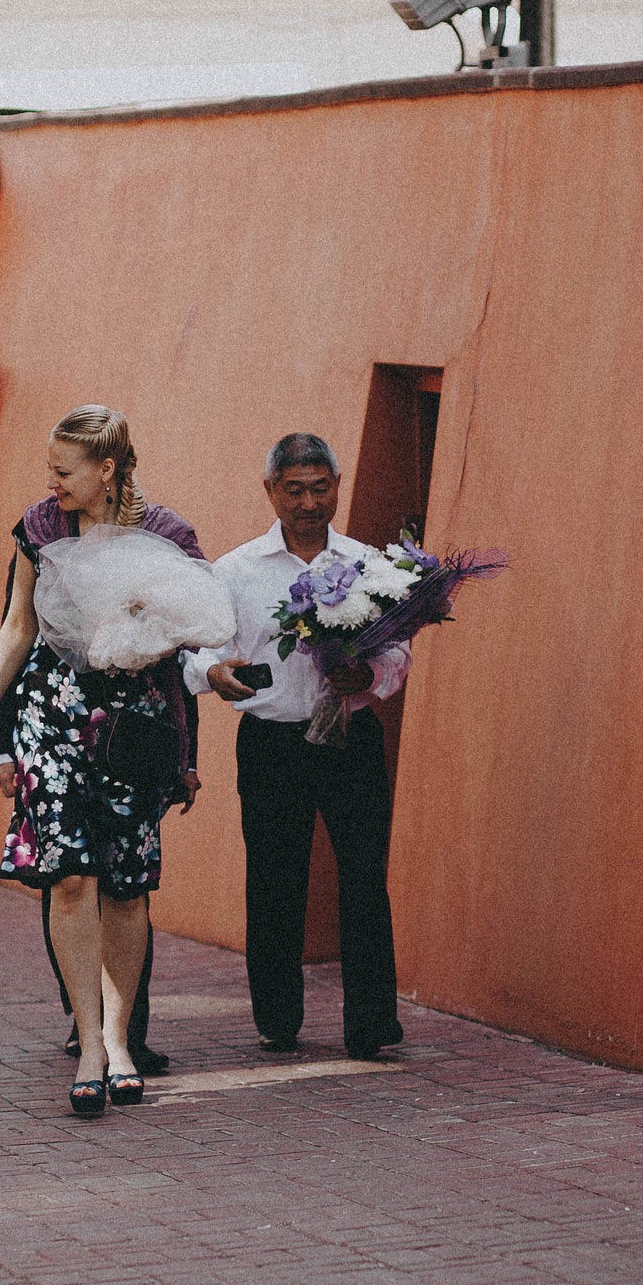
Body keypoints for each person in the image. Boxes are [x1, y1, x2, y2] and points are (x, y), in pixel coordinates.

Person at [0, 407, 205, 1115]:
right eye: (50, 468)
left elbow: (191, 638)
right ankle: (93, 1044)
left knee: (127, 885)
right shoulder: (38, 528)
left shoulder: (167, 536)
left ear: (107, 469)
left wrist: (143, 626)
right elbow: (18, 623)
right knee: (69, 876)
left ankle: (123, 1035)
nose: (52, 481)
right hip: (50, 712)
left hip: (131, 724)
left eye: (64, 470)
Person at [187, 434, 409, 1061]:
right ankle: (278, 1020)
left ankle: (370, 1025)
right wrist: (213, 673)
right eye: (295, 490)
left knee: (364, 876)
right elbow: (200, 649)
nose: (310, 502)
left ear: (337, 485)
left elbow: (398, 654)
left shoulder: (371, 567)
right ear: (271, 492)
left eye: (321, 488)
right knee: (274, 880)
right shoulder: (234, 571)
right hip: (271, 743)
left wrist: (366, 677)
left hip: (350, 738)